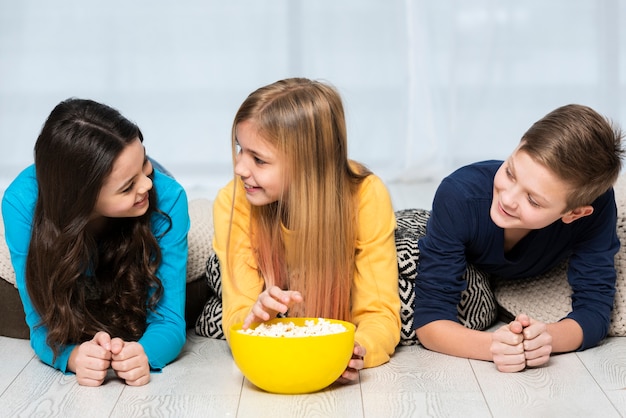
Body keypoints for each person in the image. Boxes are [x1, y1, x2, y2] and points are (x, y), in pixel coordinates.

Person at [213, 77, 401, 382]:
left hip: (347, 283)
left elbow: (380, 315)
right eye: (239, 149)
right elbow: (238, 315)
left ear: (307, 165)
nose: (240, 168)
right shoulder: (232, 200)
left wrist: (356, 349)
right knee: (210, 309)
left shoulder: (366, 194)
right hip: (272, 286)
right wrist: (254, 316)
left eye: (258, 159)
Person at [414, 104, 624, 372]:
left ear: (574, 213)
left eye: (533, 200)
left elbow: (595, 310)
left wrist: (545, 338)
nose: (508, 198)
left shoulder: (597, 210)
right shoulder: (459, 196)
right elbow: (430, 320)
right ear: (518, 145)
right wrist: (494, 347)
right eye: (510, 172)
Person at [2, 98, 189, 386]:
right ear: (82, 200)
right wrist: (73, 356)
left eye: (144, 162)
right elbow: (40, 324)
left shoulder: (167, 196)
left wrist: (144, 353)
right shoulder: (20, 204)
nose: (146, 185)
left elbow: (170, 320)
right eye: (128, 186)